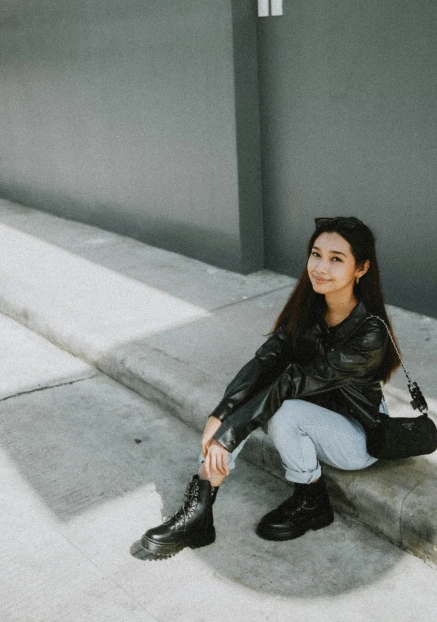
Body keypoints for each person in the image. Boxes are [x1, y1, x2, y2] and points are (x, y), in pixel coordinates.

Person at [140, 216, 400, 557]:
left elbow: (292, 383)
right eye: (316, 254)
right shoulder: (309, 309)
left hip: (358, 433)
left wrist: (229, 431)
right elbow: (265, 361)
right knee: (260, 400)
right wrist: (221, 414)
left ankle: (312, 502)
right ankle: (200, 511)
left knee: (281, 409)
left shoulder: (369, 333)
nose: (321, 267)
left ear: (361, 269)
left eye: (336, 259)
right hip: (319, 412)